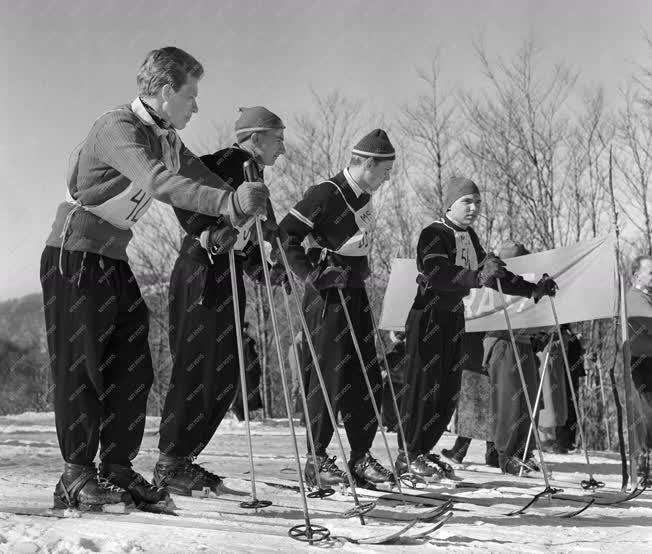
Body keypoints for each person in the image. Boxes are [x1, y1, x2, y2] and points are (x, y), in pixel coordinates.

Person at [40, 47, 268, 511]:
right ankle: (75, 476)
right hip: (74, 254)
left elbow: (197, 175)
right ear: (165, 91)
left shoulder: (163, 135)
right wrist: (229, 205)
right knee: (82, 366)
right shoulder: (117, 128)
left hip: (113, 257)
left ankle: (117, 468)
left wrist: (242, 205)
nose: (196, 107)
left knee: (134, 367)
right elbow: (161, 182)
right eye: (191, 96)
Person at [154, 106, 285, 495]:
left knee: (228, 374)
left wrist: (265, 269)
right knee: (196, 368)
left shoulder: (256, 176)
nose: (283, 148)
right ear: (256, 138)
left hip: (226, 277)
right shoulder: (227, 162)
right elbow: (182, 188)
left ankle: (182, 459)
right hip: (200, 275)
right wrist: (207, 232)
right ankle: (171, 461)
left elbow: (251, 238)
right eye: (278, 138)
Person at [396, 179, 558, 481]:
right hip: (428, 316)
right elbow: (438, 273)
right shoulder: (434, 233)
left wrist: (533, 289)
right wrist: (476, 276)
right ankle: (408, 454)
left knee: (448, 391)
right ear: (450, 204)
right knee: (424, 388)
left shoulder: (469, 236)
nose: (474, 208)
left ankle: (424, 450)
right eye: (467, 202)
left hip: (455, 318)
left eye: (478, 203)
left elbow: (496, 275)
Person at [279, 130, 396, 488]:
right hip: (327, 296)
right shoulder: (326, 192)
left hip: (356, 293)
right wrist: (311, 274)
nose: (388, 178)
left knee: (366, 377)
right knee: (329, 374)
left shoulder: (364, 196)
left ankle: (360, 456)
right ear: (367, 163)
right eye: (385, 170)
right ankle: (316, 458)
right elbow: (285, 236)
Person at [483, 242, 547, 474]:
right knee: (508, 403)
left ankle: (524, 451)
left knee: (528, 401)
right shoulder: (496, 279)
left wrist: (542, 332)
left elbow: (533, 308)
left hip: (524, 342)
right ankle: (506, 455)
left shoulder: (523, 283)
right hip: (502, 341)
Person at [441, 332, 498, 468]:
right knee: (489, 410)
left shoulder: (468, 319)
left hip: (471, 364)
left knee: (472, 411)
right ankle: (492, 455)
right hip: (488, 364)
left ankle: (459, 452)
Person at [626, 255, 652, 485]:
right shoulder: (635, 299)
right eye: (650, 272)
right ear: (637, 275)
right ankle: (645, 468)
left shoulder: (646, 297)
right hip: (641, 363)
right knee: (646, 415)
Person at [231, 322, 264, 421]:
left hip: (242, 373)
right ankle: (241, 416)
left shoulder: (238, 340)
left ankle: (243, 418)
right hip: (248, 373)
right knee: (246, 396)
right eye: (251, 329)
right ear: (245, 329)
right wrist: (256, 370)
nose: (253, 331)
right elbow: (251, 358)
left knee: (243, 395)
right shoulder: (248, 341)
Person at [381, 331, 407, 433]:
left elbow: (382, 367)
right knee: (398, 406)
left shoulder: (391, 355)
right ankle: (396, 425)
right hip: (400, 385)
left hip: (392, 384)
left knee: (390, 407)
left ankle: (392, 425)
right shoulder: (407, 356)